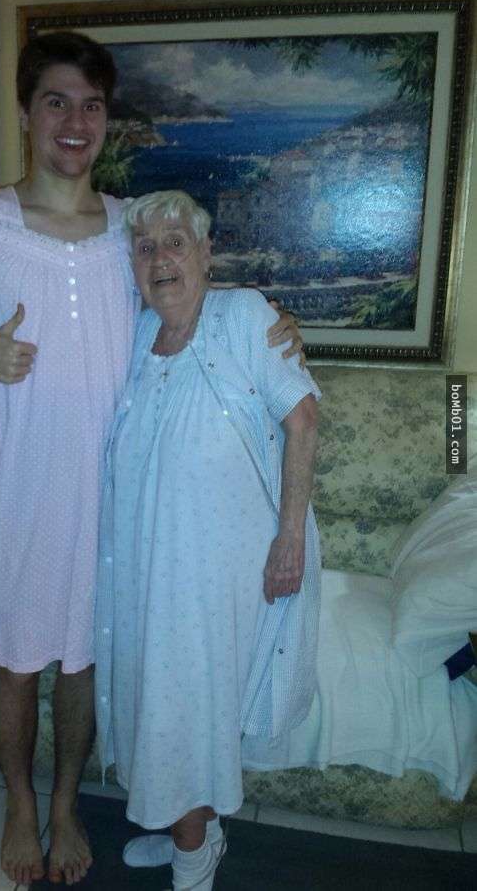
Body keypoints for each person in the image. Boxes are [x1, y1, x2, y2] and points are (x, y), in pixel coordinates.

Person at [0, 32, 302, 887]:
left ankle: (67, 801)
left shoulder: (125, 227)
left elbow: (181, 292)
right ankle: (20, 801)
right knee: (15, 660)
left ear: (106, 119)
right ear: (26, 112)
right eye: (56, 101)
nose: (74, 121)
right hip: (19, 488)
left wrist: (271, 322)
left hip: (116, 495)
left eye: (91, 105)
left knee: (82, 659)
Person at [94, 190, 322, 891]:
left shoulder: (242, 317)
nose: (160, 258)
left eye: (176, 242)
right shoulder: (133, 335)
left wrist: (290, 538)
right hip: (145, 564)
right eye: (145, 247)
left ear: (205, 253)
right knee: (153, 700)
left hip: (216, 570)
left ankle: (194, 860)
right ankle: (196, 831)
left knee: (182, 710)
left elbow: (303, 420)